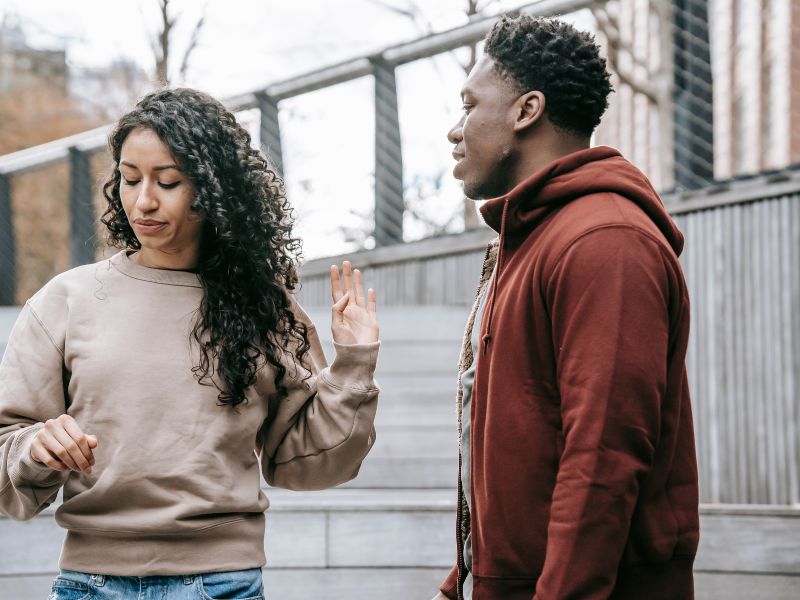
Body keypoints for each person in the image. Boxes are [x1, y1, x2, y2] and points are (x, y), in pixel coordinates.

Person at [0, 88, 380, 600]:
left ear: (213, 189)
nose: (143, 200)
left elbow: (306, 462)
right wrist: (36, 450)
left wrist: (353, 364)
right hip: (89, 585)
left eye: (168, 182)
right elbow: (7, 460)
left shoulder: (264, 310)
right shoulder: (65, 301)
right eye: (129, 179)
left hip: (224, 585)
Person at [433, 14, 699, 600]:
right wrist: (464, 582)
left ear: (526, 111)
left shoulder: (605, 241)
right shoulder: (529, 241)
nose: (455, 131)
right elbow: (514, 449)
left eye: (469, 106)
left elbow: (603, 453)